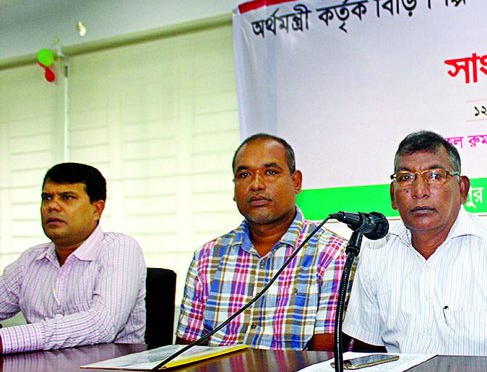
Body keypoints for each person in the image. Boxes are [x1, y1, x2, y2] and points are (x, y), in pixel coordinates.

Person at [343, 130, 487, 357]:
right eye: (406, 178)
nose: (419, 191)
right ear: (393, 195)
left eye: (435, 176)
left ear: (463, 188)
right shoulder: (376, 252)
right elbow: (368, 352)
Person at [175, 134, 347, 350]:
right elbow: (183, 354)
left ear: (296, 182)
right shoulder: (207, 258)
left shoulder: (334, 254)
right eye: (245, 174)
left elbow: (324, 361)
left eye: (270, 172)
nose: (256, 184)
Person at [0, 163, 146, 354]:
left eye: (67, 198)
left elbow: (102, 325)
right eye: (47, 198)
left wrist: (6, 340)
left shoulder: (120, 248)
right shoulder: (31, 259)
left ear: (97, 209)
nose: (52, 206)